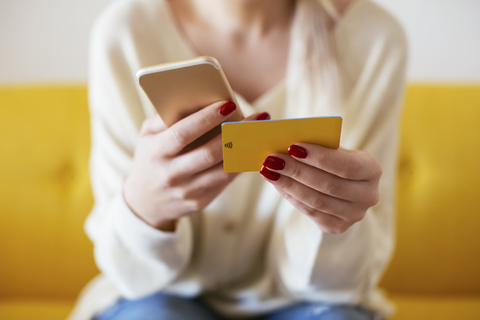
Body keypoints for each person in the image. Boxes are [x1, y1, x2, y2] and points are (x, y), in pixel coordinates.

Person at [68, 0, 407, 319]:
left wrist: (336, 223)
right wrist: (145, 207)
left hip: (309, 300)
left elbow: (343, 285)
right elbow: (129, 274)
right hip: (162, 294)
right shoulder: (126, 33)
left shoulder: (372, 40)